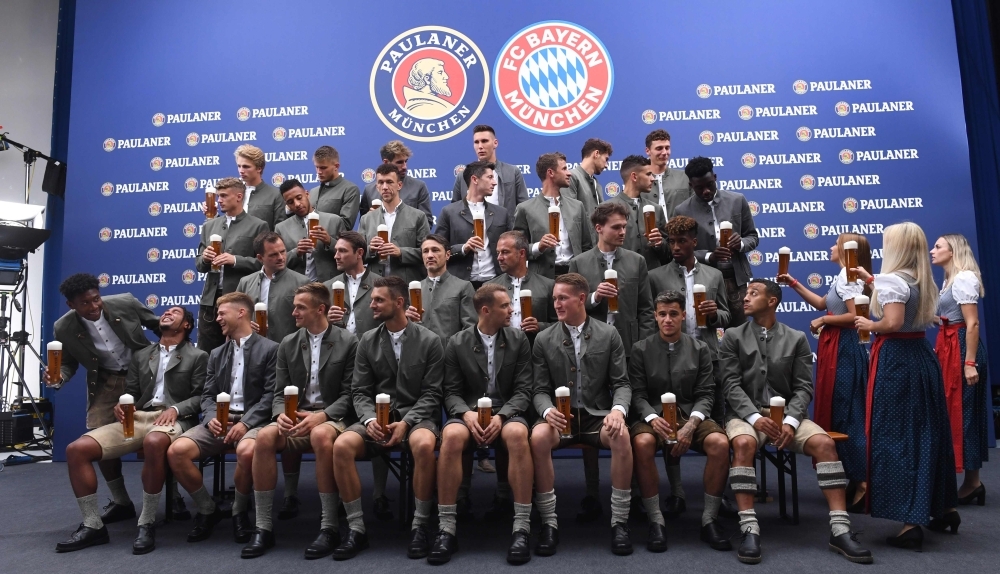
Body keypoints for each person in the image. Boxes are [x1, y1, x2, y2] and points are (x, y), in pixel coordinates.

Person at [722, 279, 871, 564]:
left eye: (754, 294)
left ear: (772, 301)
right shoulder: (732, 336)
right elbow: (730, 386)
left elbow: (804, 387)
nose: (745, 298)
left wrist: (790, 422)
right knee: (742, 444)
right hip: (746, 414)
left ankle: (840, 529)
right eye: (745, 293)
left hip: (789, 416)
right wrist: (755, 417)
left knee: (825, 444)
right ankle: (749, 528)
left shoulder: (797, 337)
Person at [56, 307, 206, 554]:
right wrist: (125, 404)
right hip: (137, 418)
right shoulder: (142, 355)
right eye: (166, 311)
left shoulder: (198, 355)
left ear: (187, 325)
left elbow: (202, 396)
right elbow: (134, 392)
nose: (167, 313)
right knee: (77, 449)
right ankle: (93, 525)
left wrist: (177, 409)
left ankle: (146, 523)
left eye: (176, 312)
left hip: (175, 419)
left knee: (155, 442)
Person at [854, 223, 960, 549]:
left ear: (896, 247)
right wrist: (871, 280)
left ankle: (910, 521)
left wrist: (868, 323)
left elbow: (892, 322)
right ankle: (943, 509)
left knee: (897, 435)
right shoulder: (922, 280)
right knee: (928, 432)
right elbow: (903, 303)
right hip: (921, 357)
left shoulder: (891, 281)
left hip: (896, 360)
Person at [331, 276, 444, 561]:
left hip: (417, 418)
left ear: (400, 302)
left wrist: (406, 422)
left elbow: (432, 394)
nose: (372, 306)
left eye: (378, 300)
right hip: (376, 420)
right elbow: (359, 392)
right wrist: (369, 421)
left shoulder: (430, 341)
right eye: (371, 300)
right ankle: (356, 528)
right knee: (342, 445)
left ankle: (419, 525)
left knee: (422, 444)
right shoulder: (367, 340)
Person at [242, 283, 359, 559]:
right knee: (265, 436)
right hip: (296, 416)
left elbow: (352, 394)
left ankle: (329, 525)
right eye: (294, 306)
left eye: (300, 307)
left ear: (321, 309)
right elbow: (278, 392)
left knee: (320, 435)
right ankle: (263, 527)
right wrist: (281, 414)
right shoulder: (288, 342)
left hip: (333, 416)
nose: (293, 312)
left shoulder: (349, 341)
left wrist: (322, 416)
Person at [529, 273, 634, 556]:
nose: (557, 304)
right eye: (554, 299)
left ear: (581, 299)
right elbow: (538, 389)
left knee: (621, 436)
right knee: (538, 437)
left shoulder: (608, 333)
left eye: (562, 298)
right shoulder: (543, 338)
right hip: (559, 417)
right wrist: (547, 410)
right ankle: (549, 523)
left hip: (596, 414)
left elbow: (622, 383)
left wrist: (617, 410)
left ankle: (619, 522)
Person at [47, 273, 162, 526]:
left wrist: (167, 353)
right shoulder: (63, 327)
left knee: (160, 432)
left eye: (96, 299)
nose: (93, 306)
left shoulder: (126, 302)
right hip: (106, 382)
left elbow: (157, 324)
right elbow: (67, 365)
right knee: (100, 440)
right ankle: (122, 502)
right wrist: (57, 378)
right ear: (72, 305)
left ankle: (172, 498)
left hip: (143, 375)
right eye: (85, 303)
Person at [433, 284, 535, 565]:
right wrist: (465, 414)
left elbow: (524, 390)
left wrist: (502, 416)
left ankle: (521, 527)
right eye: (505, 306)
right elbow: (450, 391)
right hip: (467, 411)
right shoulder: (456, 342)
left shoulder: (518, 339)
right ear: (485, 310)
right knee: (451, 437)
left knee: (516, 435)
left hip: (507, 410)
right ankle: (446, 528)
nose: (512, 310)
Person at [166, 293, 278, 545]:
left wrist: (246, 423)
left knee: (248, 452)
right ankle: (207, 509)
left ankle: (239, 511)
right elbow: (207, 395)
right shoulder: (216, 353)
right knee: (177, 451)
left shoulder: (272, 349)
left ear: (241, 313)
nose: (217, 319)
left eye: (221, 313)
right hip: (218, 421)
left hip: (253, 422)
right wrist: (210, 418)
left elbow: (271, 396)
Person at [629, 291, 731, 552]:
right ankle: (656, 520)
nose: (668, 320)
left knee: (719, 442)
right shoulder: (640, 349)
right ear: (655, 316)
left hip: (691, 414)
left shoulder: (700, 348)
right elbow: (637, 394)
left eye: (673, 314)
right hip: (651, 414)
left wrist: (691, 425)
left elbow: (707, 393)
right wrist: (652, 418)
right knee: (641, 443)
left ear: (684, 315)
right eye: (662, 314)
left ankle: (709, 519)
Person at [779, 233, 871, 511]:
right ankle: (854, 480)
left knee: (849, 415)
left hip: (845, 349)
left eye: (835, 244)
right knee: (841, 413)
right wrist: (793, 282)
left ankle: (864, 482)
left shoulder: (848, 274)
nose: (830, 247)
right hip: (837, 348)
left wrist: (824, 320)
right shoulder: (845, 274)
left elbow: (856, 316)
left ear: (845, 250)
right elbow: (823, 303)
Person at [648, 214, 730, 516]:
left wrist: (714, 314)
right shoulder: (656, 276)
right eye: (672, 241)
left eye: (682, 241)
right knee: (672, 421)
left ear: (695, 242)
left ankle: (720, 494)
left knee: (716, 422)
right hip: (670, 357)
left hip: (708, 355)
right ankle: (678, 491)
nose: (676, 247)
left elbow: (727, 317)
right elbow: (651, 318)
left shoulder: (714, 275)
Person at [931, 233, 989, 506]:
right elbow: (947, 319)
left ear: (952, 251)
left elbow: (972, 323)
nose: (933, 250)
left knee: (964, 413)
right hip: (951, 347)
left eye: (938, 246)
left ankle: (972, 482)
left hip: (963, 351)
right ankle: (971, 482)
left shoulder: (964, 278)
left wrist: (969, 363)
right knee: (960, 412)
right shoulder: (949, 280)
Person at [675, 157, 758, 326]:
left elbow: (752, 236)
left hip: (736, 280)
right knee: (704, 328)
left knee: (739, 331)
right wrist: (709, 256)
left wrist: (741, 244)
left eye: (709, 185)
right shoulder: (682, 210)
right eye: (699, 188)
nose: (706, 191)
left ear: (715, 177)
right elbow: (680, 249)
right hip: (703, 281)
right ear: (691, 186)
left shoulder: (737, 200)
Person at [570, 201, 655, 360]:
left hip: (630, 346)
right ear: (598, 228)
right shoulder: (578, 263)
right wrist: (594, 297)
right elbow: (570, 305)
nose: (622, 232)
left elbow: (646, 310)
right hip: (590, 344)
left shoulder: (637, 261)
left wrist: (644, 345)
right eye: (616, 227)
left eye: (624, 226)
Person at [195, 177, 270, 352]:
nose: (218, 200)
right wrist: (205, 258)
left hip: (240, 298)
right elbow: (199, 266)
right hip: (210, 300)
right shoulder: (209, 226)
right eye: (218, 195)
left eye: (223, 196)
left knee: (240, 349)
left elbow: (264, 263)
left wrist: (235, 260)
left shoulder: (258, 225)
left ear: (238, 196)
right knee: (208, 352)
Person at [513, 152, 592, 279]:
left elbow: (587, 247)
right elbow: (516, 249)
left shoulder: (577, 206)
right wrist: (539, 246)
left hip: (574, 277)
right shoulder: (525, 209)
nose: (569, 173)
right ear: (551, 173)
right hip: (541, 279)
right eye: (564, 169)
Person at [435, 160, 509, 287]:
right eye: (490, 177)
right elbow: (438, 250)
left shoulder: (501, 213)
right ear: (475, 179)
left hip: (495, 284)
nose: (494, 182)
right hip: (460, 285)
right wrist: (463, 248)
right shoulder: (449, 212)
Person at [358, 163, 429, 285]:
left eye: (389, 182)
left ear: (399, 185)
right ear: (376, 187)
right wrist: (371, 249)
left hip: (407, 285)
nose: (384, 187)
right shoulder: (366, 219)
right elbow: (357, 255)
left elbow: (427, 253)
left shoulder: (418, 216)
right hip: (375, 286)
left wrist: (401, 252)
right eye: (381, 182)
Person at [236, 231, 309, 345]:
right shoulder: (245, 282)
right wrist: (246, 325)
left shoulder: (302, 282)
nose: (280, 257)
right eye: (273, 255)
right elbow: (236, 317)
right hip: (253, 350)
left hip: (288, 350)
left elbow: (309, 321)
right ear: (260, 257)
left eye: (283, 252)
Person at [450, 125, 529, 227]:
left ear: (495, 143)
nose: (480, 146)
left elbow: (523, 207)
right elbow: (455, 210)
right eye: (476, 142)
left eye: (484, 141)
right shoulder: (463, 175)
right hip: (472, 235)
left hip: (505, 234)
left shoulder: (512, 172)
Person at [407, 234, 477, 348]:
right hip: (420, 356)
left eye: (435, 250)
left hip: (450, 357)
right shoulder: (413, 290)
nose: (430, 255)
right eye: (425, 251)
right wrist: (406, 320)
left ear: (448, 255)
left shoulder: (463, 287)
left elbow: (470, 329)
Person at [487, 230, 556, 339]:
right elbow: (481, 324)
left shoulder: (548, 285)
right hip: (501, 350)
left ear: (522, 253)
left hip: (534, 349)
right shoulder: (489, 287)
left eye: (505, 252)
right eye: (498, 253)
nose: (499, 258)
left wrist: (540, 326)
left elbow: (560, 324)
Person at [276, 178, 344, 283]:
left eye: (299, 198)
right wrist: (296, 252)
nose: (297, 204)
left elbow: (350, 255)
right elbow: (275, 263)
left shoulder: (334, 220)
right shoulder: (281, 228)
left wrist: (329, 241)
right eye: (290, 202)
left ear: (307, 194)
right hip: (296, 288)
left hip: (328, 286)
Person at [609, 155, 667, 270]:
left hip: (652, 278)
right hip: (622, 277)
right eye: (648, 174)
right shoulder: (607, 208)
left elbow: (668, 253)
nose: (653, 178)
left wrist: (660, 244)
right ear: (634, 176)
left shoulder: (656, 209)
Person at [326, 230, 384, 337]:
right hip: (337, 350)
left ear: (360, 253)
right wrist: (326, 320)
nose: (336, 256)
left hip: (370, 350)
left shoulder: (382, 285)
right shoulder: (327, 287)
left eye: (342, 251)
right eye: (336, 251)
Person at [359, 140, 433, 223]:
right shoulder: (369, 190)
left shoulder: (419, 186)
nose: (404, 166)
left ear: (399, 185)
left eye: (406, 161)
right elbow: (363, 225)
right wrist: (369, 218)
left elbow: (427, 223)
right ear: (386, 162)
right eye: (399, 162)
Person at [562, 138, 613, 244]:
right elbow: (570, 218)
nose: (607, 165)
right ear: (596, 153)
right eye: (606, 159)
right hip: (581, 249)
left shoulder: (596, 183)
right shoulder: (571, 177)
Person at [234, 144, 287, 230]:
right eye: (239, 166)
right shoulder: (234, 193)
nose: (241, 171)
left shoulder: (275, 195)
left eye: (246, 166)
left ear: (259, 168)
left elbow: (280, 230)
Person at [641, 129, 691, 218]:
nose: (664, 153)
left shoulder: (685, 177)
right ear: (648, 151)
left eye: (667, 148)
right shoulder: (639, 181)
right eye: (659, 148)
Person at [310, 145, 361, 230]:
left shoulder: (350, 189)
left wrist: (315, 214)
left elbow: (346, 225)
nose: (319, 172)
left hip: (335, 242)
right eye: (316, 167)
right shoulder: (313, 191)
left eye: (323, 168)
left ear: (336, 166)